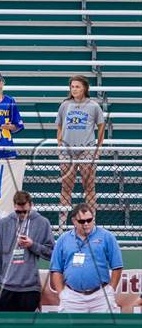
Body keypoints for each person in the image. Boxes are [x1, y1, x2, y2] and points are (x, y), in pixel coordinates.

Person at [50, 203, 123, 328]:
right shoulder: (64, 240)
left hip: (100, 293)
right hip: (72, 293)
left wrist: (110, 290)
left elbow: (117, 266)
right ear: (74, 221)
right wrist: (62, 293)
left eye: (89, 220)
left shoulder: (106, 236)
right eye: (82, 221)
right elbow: (56, 269)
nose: (86, 224)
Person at [0, 190, 55, 328]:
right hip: (6, 287)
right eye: (18, 212)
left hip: (29, 287)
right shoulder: (4, 223)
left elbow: (51, 252)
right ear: (14, 207)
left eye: (25, 211)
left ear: (31, 206)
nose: (21, 215)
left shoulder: (42, 223)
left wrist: (33, 245)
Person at [56, 75, 105, 229]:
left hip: (87, 150)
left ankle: (91, 221)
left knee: (89, 186)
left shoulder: (93, 106)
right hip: (68, 150)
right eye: (72, 86)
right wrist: (60, 145)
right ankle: (62, 222)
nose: (74, 89)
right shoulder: (65, 105)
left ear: (84, 88)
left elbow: (101, 126)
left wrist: (98, 148)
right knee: (66, 187)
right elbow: (59, 126)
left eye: (77, 86)